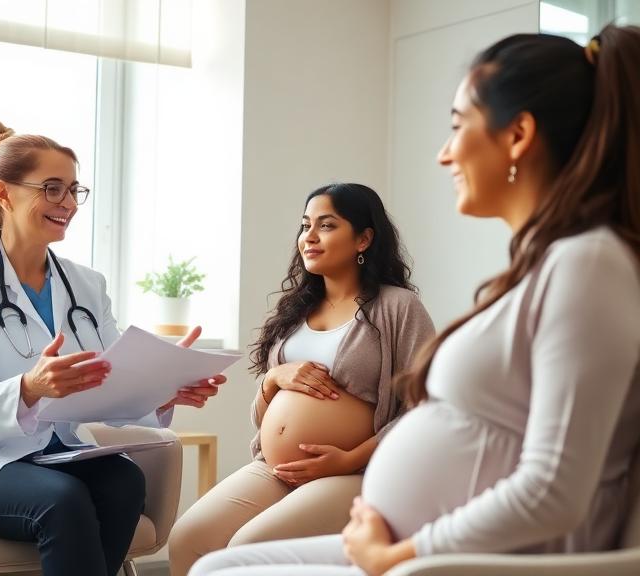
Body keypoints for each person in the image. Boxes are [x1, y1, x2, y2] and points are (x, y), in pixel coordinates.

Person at [188, 23, 640, 576]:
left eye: (457, 127)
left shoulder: (586, 264)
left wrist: (404, 552)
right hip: (415, 540)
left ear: (518, 134)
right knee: (212, 566)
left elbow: (553, 491)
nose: (444, 155)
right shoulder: (548, 266)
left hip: (456, 560)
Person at [0, 120, 226, 576]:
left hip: (53, 452)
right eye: (52, 189)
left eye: (75, 190)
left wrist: (163, 388)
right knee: (63, 500)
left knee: (123, 483)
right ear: (4, 194)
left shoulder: (86, 285)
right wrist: (29, 388)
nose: (68, 204)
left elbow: (113, 385)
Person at [169, 183, 434, 575]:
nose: (308, 237)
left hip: (356, 471)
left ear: (364, 238)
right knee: (189, 537)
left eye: (326, 226)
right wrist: (273, 378)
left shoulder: (398, 307)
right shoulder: (294, 312)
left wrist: (348, 459)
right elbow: (263, 416)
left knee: (249, 547)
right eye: (305, 225)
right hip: (275, 469)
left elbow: (426, 406)